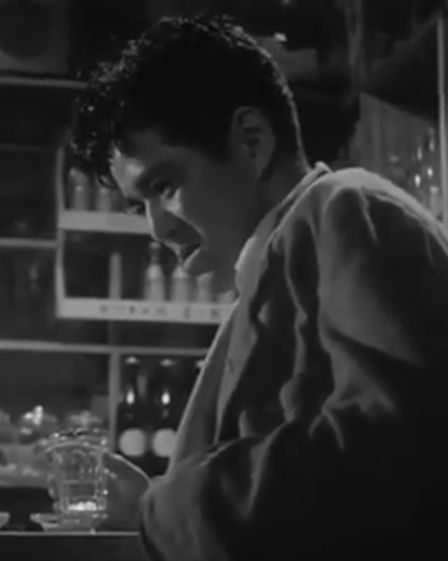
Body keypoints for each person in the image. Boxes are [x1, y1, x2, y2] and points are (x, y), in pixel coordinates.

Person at [71, 14, 448, 561]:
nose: (155, 228)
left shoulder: (348, 207)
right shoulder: (270, 266)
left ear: (251, 140)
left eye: (165, 185)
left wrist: (160, 508)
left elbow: (394, 450)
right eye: (138, 205)